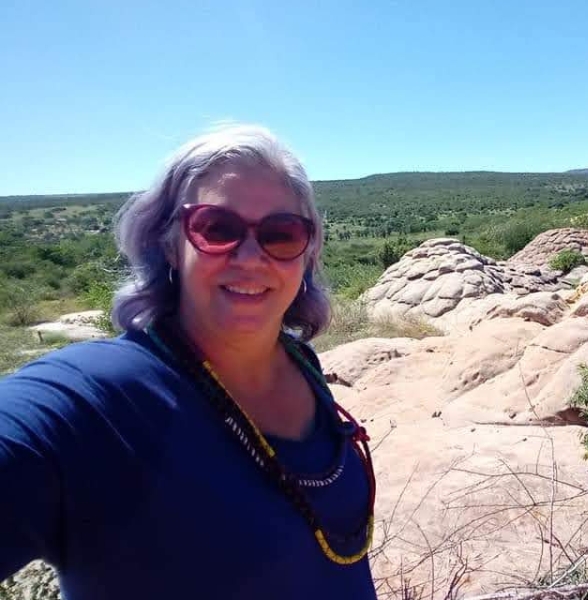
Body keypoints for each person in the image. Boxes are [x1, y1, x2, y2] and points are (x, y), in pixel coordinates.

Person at [0, 125, 378, 599]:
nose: (250, 256)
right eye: (217, 228)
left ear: (308, 252)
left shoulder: (299, 361)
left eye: (281, 234)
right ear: (168, 243)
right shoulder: (99, 398)